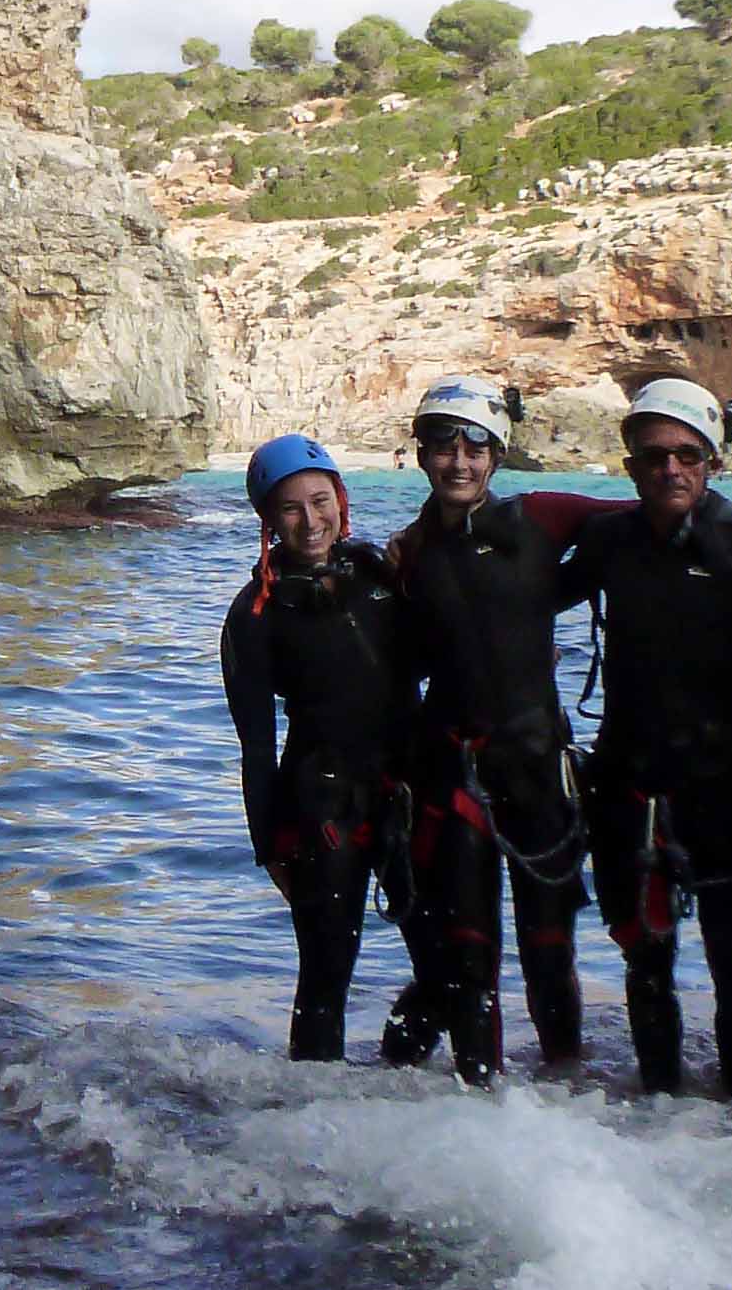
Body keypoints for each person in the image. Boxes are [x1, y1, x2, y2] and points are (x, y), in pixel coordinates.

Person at [383, 378, 626, 1079]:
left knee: (550, 946)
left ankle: (566, 1089)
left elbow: (653, 519)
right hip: (453, 771)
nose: (458, 462)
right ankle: (477, 1105)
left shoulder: (542, 518)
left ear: (496, 455)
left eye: (474, 446)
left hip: (537, 765)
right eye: (442, 446)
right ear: (421, 453)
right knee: (469, 952)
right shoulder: (408, 556)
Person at [558, 378, 732, 1097]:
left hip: (725, 783)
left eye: (687, 455)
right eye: (653, 456)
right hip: (630, 781)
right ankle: (659, 1113)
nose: (671, 470)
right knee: (644, 957)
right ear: (630, 464)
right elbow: (518, 593)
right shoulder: (609, 541)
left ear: (712, 461)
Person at [217, 433, 419, 1061]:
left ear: (341, 498)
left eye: (320, 500)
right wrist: (268, 847)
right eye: (289, 508)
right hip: (323, 805)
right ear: (267, 520)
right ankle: (314, 1124)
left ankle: (406, 1079)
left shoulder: (381, 573)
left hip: (409, 791)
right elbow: (255, 745)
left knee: (449, 966)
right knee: (327, 975)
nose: (310, 522)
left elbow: (453, 644)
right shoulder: (255, 613)